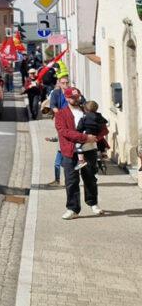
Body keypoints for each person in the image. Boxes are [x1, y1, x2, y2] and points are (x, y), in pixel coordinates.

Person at [55, 86, 106, 219]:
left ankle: (93, 203)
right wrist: (85, 137)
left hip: (89, 150)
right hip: (70, 151)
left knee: (90, 179)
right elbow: (64, 132)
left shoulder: (88, 110)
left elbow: (103, 128)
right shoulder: (61, 114)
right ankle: (73, 209)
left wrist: (96, 138)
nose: (76, 99)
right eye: (73, 97)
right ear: (66, 98)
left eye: (78, 96)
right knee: (71, 181)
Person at [73, 100, 108, 171]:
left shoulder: (84, 118)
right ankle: (103, 153)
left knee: (78, 146)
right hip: (98, 138)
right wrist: (97, 137)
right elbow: (105, 130)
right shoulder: (100, 118)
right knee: (102, 143)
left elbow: (79, 129)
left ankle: (81, 161)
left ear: (86, 109)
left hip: (87, 137)